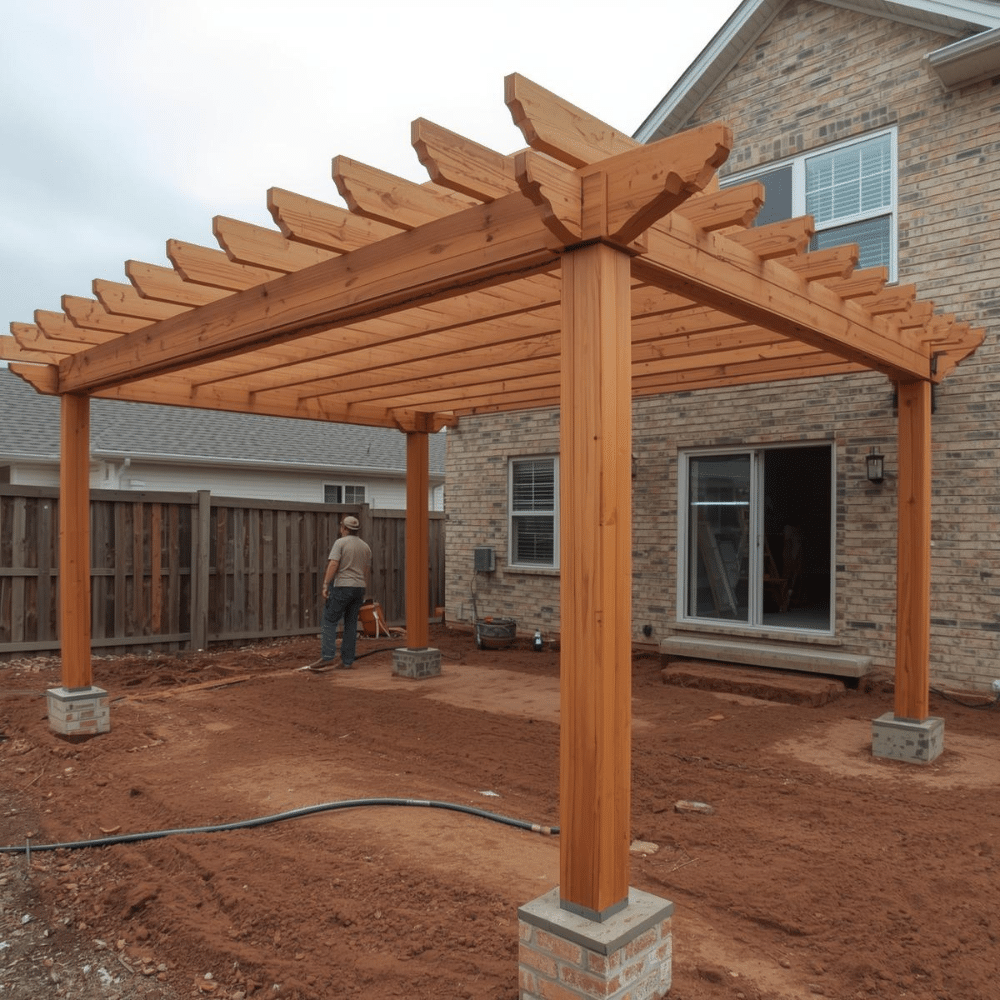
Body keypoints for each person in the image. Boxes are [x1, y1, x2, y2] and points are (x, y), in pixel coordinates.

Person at [304, 515, 372, 671]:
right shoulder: (365, 547)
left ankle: (327, 657)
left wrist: (325, 584)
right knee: (351, 623)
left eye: (341, 527)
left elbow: (334, 563)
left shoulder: (340, 543)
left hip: (343, 586)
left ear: (345, 528)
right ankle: (347, 661)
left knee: (329, 620)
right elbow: (366, 570)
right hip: (359, 588)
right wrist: (362, 585)